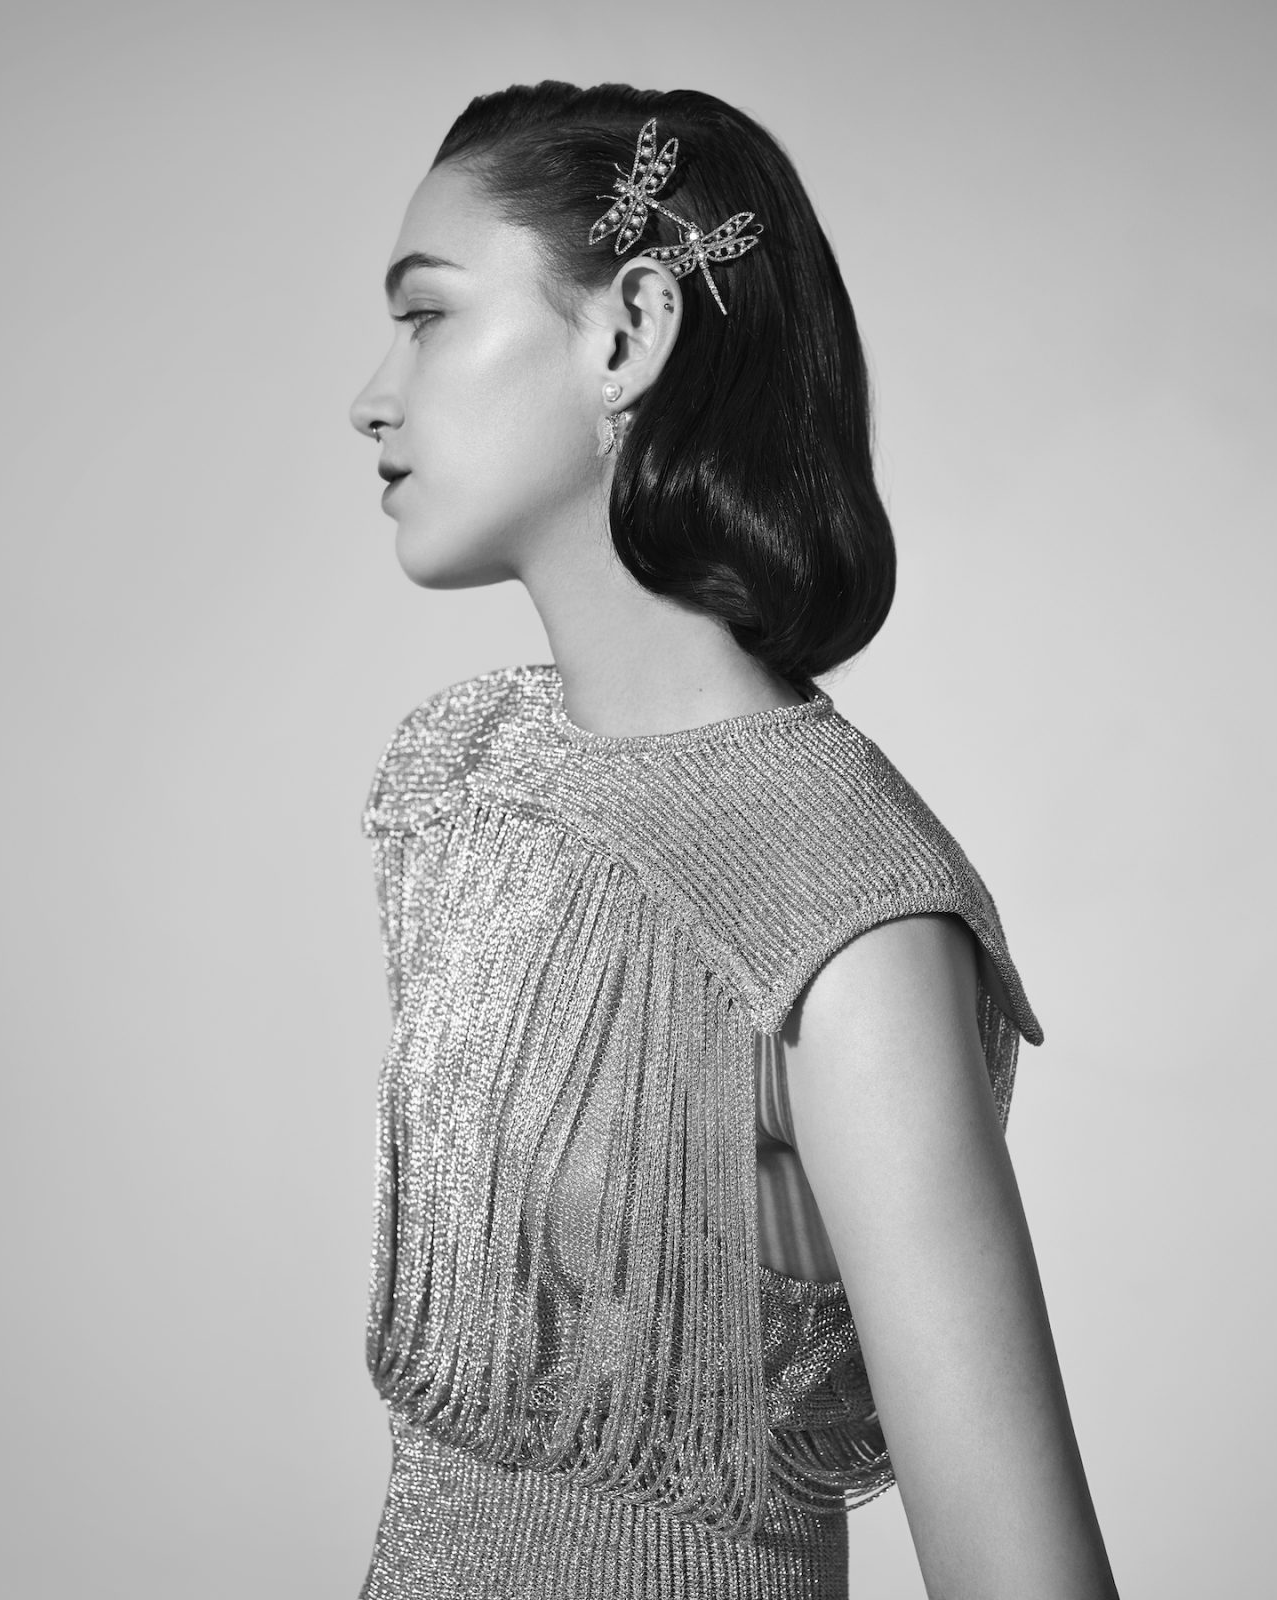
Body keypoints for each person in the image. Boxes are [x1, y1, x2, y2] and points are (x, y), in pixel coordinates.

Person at [347, 80, 1119, 1600]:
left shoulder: (844, 908)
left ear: (630, 331)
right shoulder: (459, 785)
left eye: (427, 317)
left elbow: (1020, 1574)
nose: (372, 396)